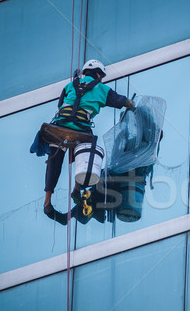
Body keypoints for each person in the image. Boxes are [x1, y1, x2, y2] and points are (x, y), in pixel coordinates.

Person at [43, 59, 134, 224]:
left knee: (55, 156)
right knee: (86, 152)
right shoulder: (101, 88)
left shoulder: (70, 85)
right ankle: (77, 189)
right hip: (80, 128)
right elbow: (121, 101)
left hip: (58, 126)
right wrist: (132, 105)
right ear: (98, 74)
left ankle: (47, 200)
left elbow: (61, 104)